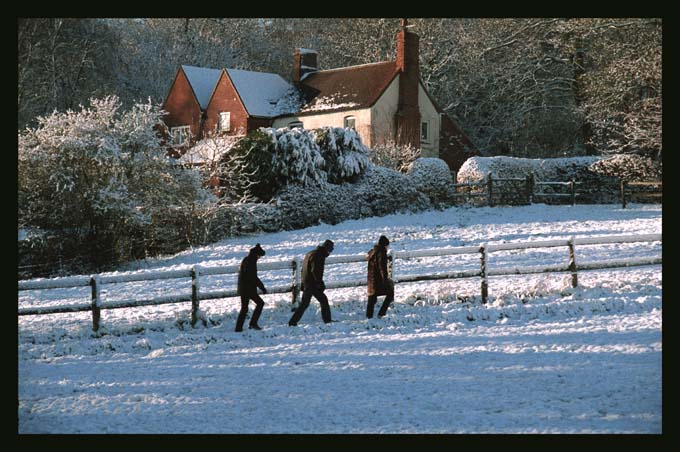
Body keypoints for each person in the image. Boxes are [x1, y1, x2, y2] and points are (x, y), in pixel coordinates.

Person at [289, 240, 335, 326]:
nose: (330, 253)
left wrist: (303, 282)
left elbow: (304, 269)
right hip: (312, 283)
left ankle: (293, 321)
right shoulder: (319, 256)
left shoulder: (310, 253)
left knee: (305, 304)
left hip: (307, 282)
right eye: (330, 250)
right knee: (323, 300)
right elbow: (315, 271)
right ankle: (327, 321)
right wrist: (320, 283)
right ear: (327, 249)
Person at [235, 243, 268, 332]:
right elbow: (253, 277)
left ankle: (243, 326)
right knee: (251, 306)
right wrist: (262, 287)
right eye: (260, 256)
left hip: (247, 288)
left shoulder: (248, 260)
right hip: (247, 289)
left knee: (248, 307)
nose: (259, 258)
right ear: (257, 254)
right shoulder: (251, 262)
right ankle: (248, 325)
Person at [366, 235, 394, 319]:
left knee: (372, 298)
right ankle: (381, 314)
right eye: (387, 245)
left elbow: (367, 255)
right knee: (390, 293)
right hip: (378, 280)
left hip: (371, 280)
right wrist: (385, 280)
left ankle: (369, 316)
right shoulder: (381, 253)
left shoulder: (373, 251)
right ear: (385, 245)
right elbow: (382, 267)